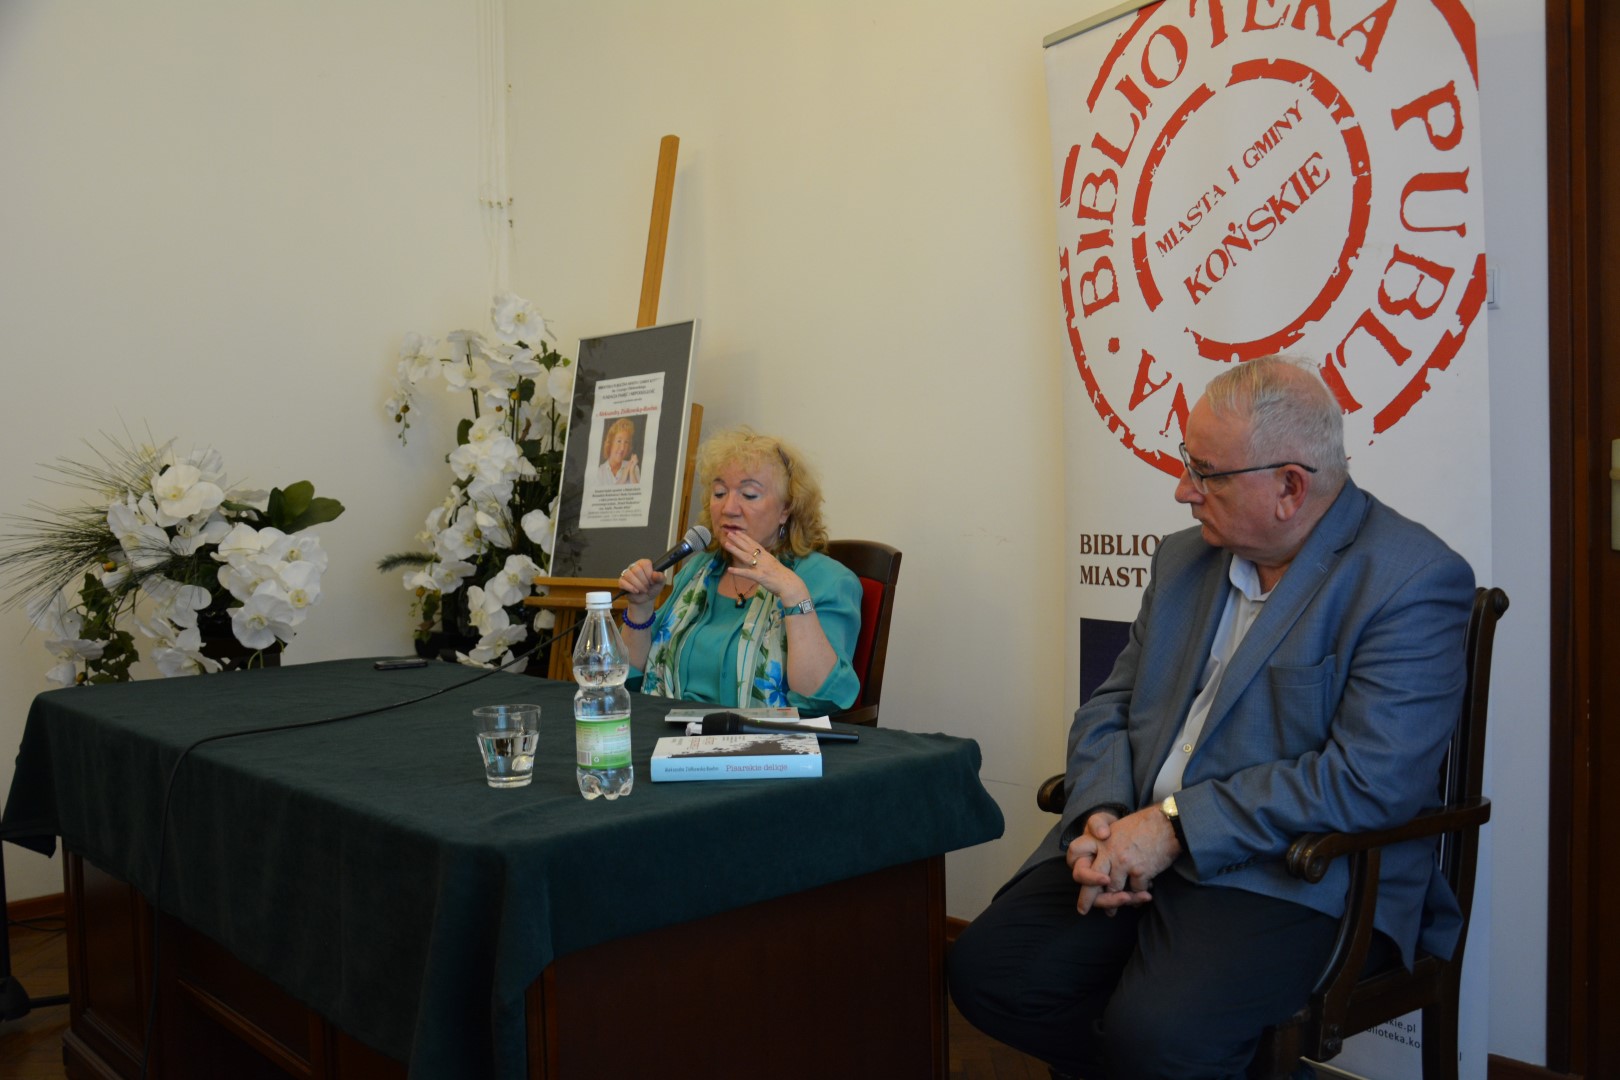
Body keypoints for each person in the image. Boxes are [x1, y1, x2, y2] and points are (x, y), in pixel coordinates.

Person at [948, 356, 1475, 1079]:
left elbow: (1369, 780)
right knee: (989, 973)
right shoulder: (1182, 561)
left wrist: (1173, 828)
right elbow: (1110, 706)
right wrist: (1103, 814)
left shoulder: (1410, 579)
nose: (1182, 490)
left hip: (1289, 870)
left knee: (1157, 1039)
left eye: (1206, 473)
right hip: (1138, 840)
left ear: (1290, 486)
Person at [617, 427, 862, 715]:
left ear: (785, 509)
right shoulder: (700, 570)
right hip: (670, 730)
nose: (729, 508)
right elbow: (629, 675)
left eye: (749, 494)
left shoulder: (829, 580)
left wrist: (793, 593)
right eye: (719, 493)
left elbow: (821, 700)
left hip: (762, 741)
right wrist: (640, 607)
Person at [596, 417, 641, 485]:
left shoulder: (634, 468)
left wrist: (632, 472)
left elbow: (640, 491)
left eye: (626, 442)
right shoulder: (599, 472)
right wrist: (623, 478)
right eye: (619, 441)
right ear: (610, 443)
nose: (622, 448)